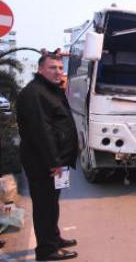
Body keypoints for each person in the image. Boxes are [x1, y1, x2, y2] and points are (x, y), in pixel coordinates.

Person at [16, 51, 79, 261]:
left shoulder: (50, 90)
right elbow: (41, 132)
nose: (58, 72)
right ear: (40, 69)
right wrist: (54, 162)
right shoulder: (35, 93)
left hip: (57, 161)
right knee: (45, 206)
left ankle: (53, 238)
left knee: (52, 203)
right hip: (45, 163)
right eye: (53, 68)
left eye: (61, 68)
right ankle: (46, 250)